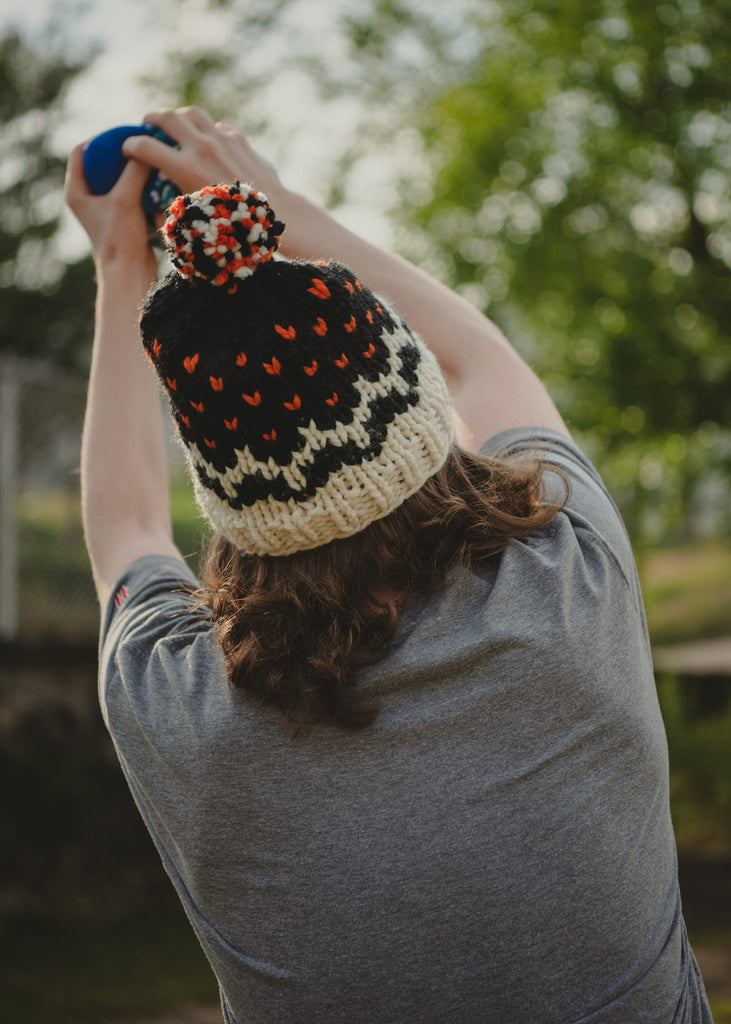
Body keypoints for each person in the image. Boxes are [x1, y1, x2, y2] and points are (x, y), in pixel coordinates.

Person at [64, 106, 713, 1024]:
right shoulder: (571, 580)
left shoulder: (179, 702)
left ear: (229, 494)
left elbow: (124, 518)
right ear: (412, 417)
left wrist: (119, 265)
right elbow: (479, 357)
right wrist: (280, 206)